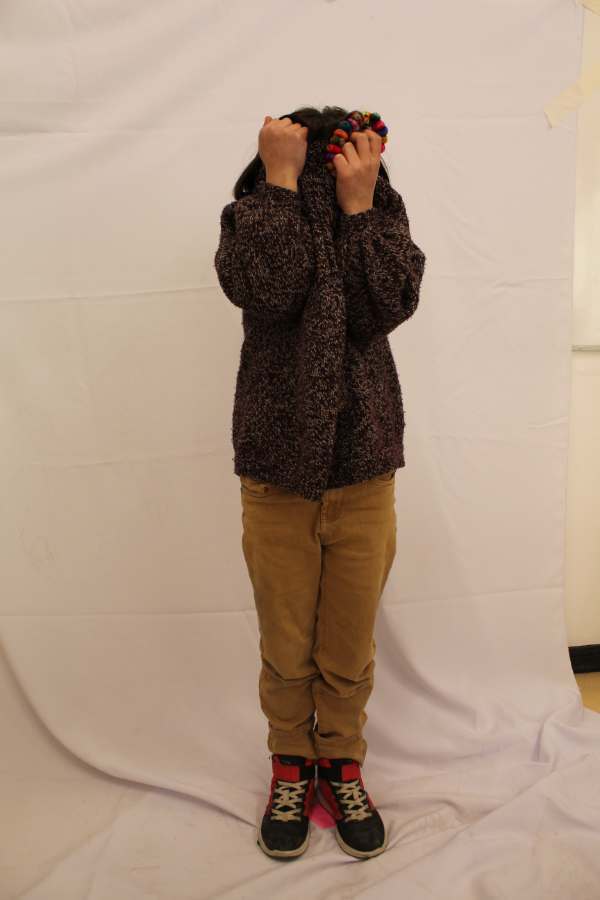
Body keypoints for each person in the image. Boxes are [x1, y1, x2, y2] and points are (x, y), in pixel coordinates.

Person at [214, 106, 426, 860]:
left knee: (348, 643)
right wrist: (278, 182)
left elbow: (386, 306)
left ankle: (341, 763)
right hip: (275, 469)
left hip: (365, 466)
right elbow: (267, 291)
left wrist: (359, 207)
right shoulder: (251, 208)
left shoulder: (380, 205)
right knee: (286, 645)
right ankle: (290, 766)